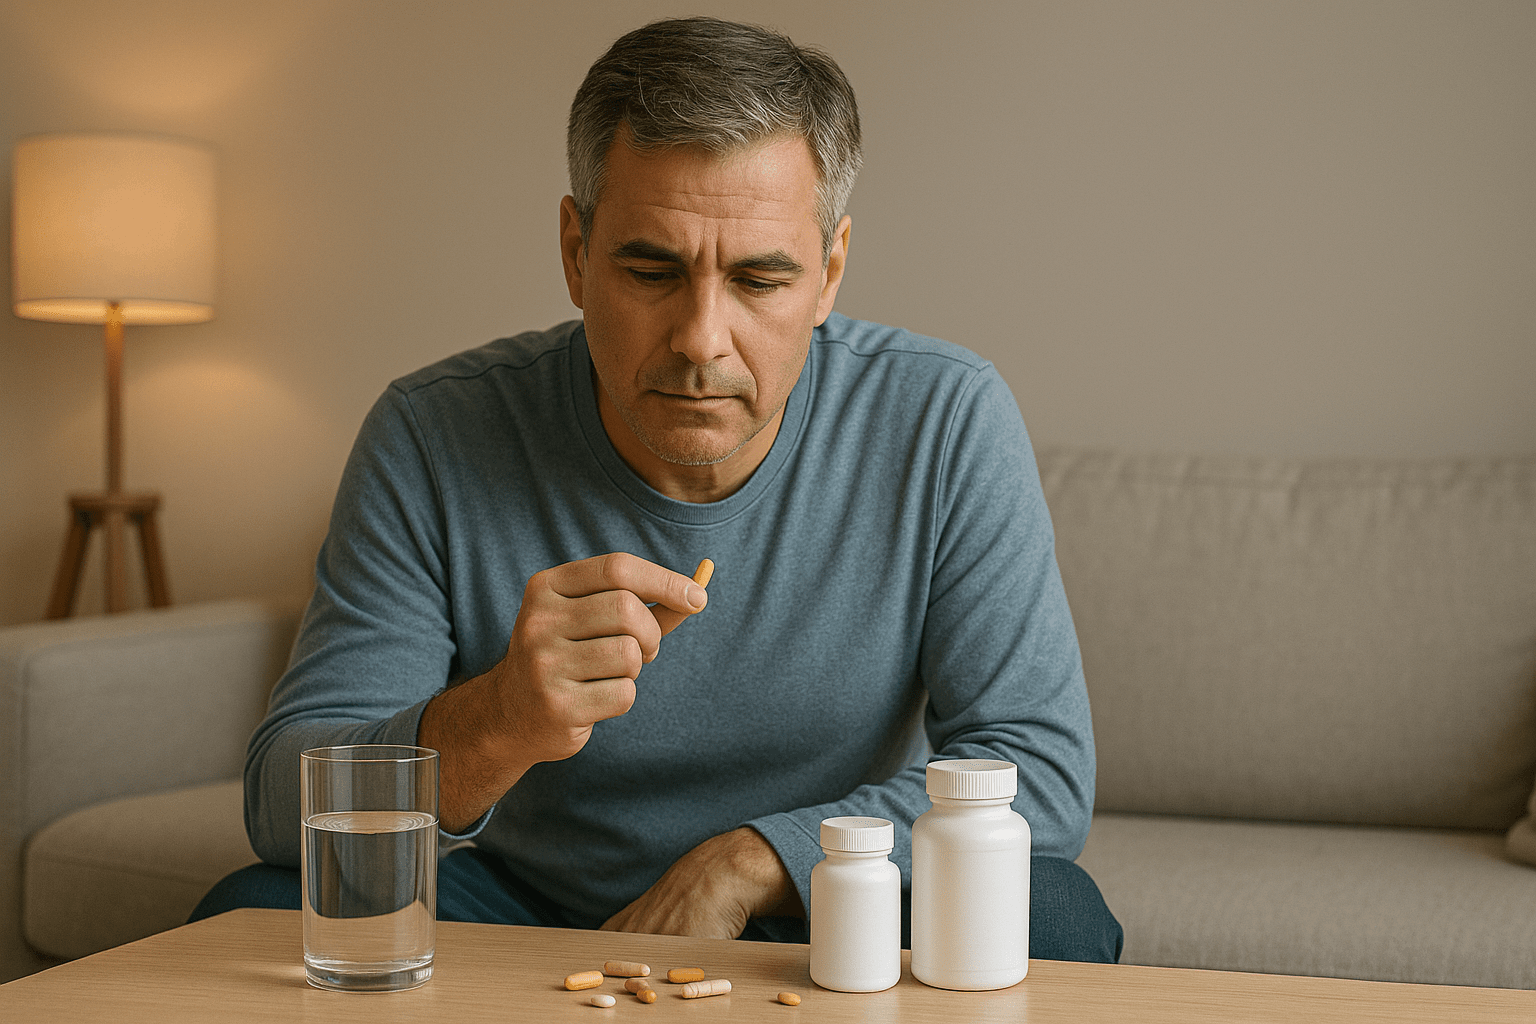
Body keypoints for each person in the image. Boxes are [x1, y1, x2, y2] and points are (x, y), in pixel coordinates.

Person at [192, 15, 1123, 961]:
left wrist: (748, 863)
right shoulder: (432, 433)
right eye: (651, 270)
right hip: (514, 908)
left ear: (830, 271)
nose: (701, 339)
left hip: (817, 911)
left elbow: (1036, 771)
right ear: (574, 252)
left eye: (761, 279)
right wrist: (499, 721)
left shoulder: (944, 418)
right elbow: (282, 802)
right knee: (253, 912)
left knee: (1053, 914)